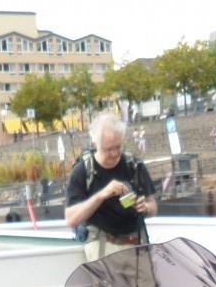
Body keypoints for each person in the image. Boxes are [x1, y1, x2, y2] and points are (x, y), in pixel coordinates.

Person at [65, 111, 158, 261]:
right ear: (96, 143)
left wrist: (145, 208)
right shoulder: (82, 171)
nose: (115, 154)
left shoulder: (133, 166)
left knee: (148, 278)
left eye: (118, 147)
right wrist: (101, 196)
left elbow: (152, 205)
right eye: (108, 149)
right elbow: (71, 219)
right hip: (102, 244)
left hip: (135, 243)